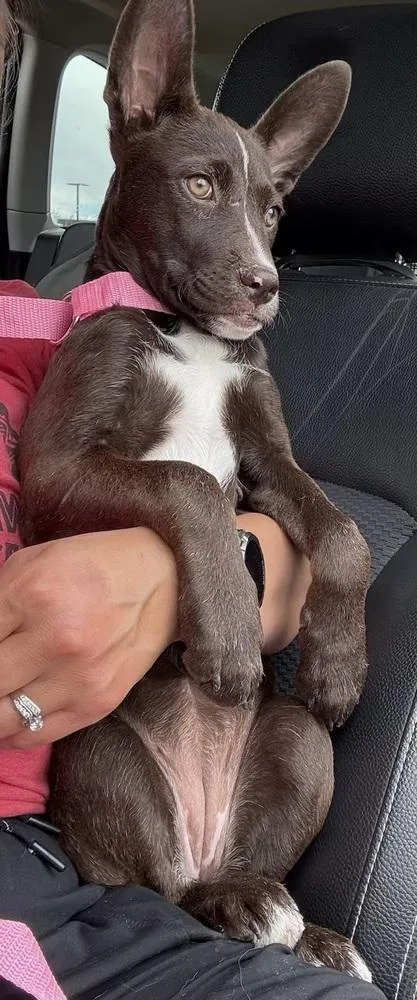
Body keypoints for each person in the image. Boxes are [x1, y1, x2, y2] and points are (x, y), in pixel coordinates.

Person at [0, 8, 385, 1000]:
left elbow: (288, 494)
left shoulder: (234, 364)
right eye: (205, 186)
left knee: (302, 740)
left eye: (267, 206)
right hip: (112, 750)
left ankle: (239, 895)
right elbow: (62, 471)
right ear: (135, 119)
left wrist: (329, 566)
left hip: (232, 731)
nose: (254, 253)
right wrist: (191, 522)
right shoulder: (101, 333)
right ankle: (194, 905)